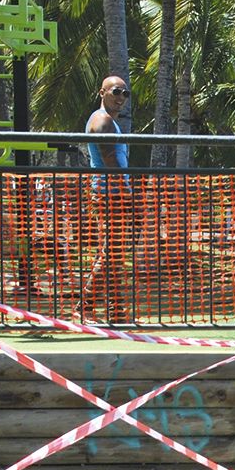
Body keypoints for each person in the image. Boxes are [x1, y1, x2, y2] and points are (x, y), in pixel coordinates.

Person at [81, 76, 133, 324]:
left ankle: (117, 310)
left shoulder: (110, 122)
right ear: (102, 92)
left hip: (111, 194)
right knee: (110, 253)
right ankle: (84, 307)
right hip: (110, 195)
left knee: (115, 254)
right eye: (116, 91)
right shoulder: (102, 121)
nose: (121, 97)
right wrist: (127, 196)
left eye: (125, 93)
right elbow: (112, 164)